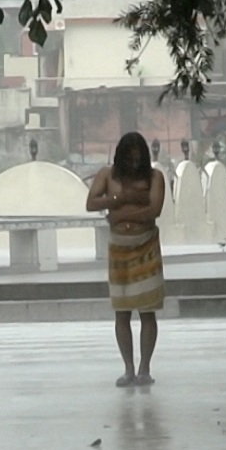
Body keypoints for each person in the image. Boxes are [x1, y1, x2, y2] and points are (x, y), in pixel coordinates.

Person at [86, 131, 166, 387]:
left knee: (147, 310)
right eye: (129, 158)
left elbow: (155, 209)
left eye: (138, 158)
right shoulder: (107, 175)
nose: (134, 163)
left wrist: (121, 215)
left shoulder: (154, 177)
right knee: (122, 312)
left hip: (146, 246)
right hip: (119, 247)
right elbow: (91, 203)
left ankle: (144, 368)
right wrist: (122, 199)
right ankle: (128, 368)